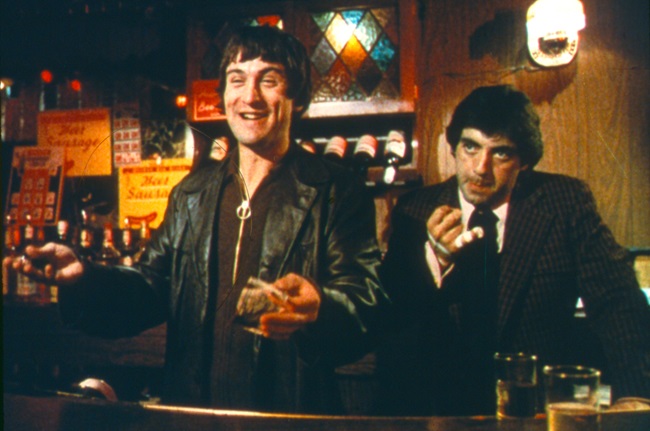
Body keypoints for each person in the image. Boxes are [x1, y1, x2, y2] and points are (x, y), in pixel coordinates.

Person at [5, 26, 388, 414]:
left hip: (288, 417)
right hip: (194, 415)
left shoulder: (335, 191)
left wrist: (320, 307)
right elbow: (150, 290)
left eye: (268, 80)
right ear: (223, 96)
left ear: (298, 97)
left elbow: (368, 304)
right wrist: (84, 279)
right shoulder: (191, 194)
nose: (250, 96)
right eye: (237, 80)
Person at [376, 85, 650, 416]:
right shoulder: (415, 210)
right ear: (455, 146)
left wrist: (636, 394)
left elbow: (617, 300)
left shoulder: (565, 202)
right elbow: (390, 317)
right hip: (441, 412)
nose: (480, 168)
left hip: (533, 411)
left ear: (524, 162)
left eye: (501, 154)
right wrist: (437, 260)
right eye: (470, 147)